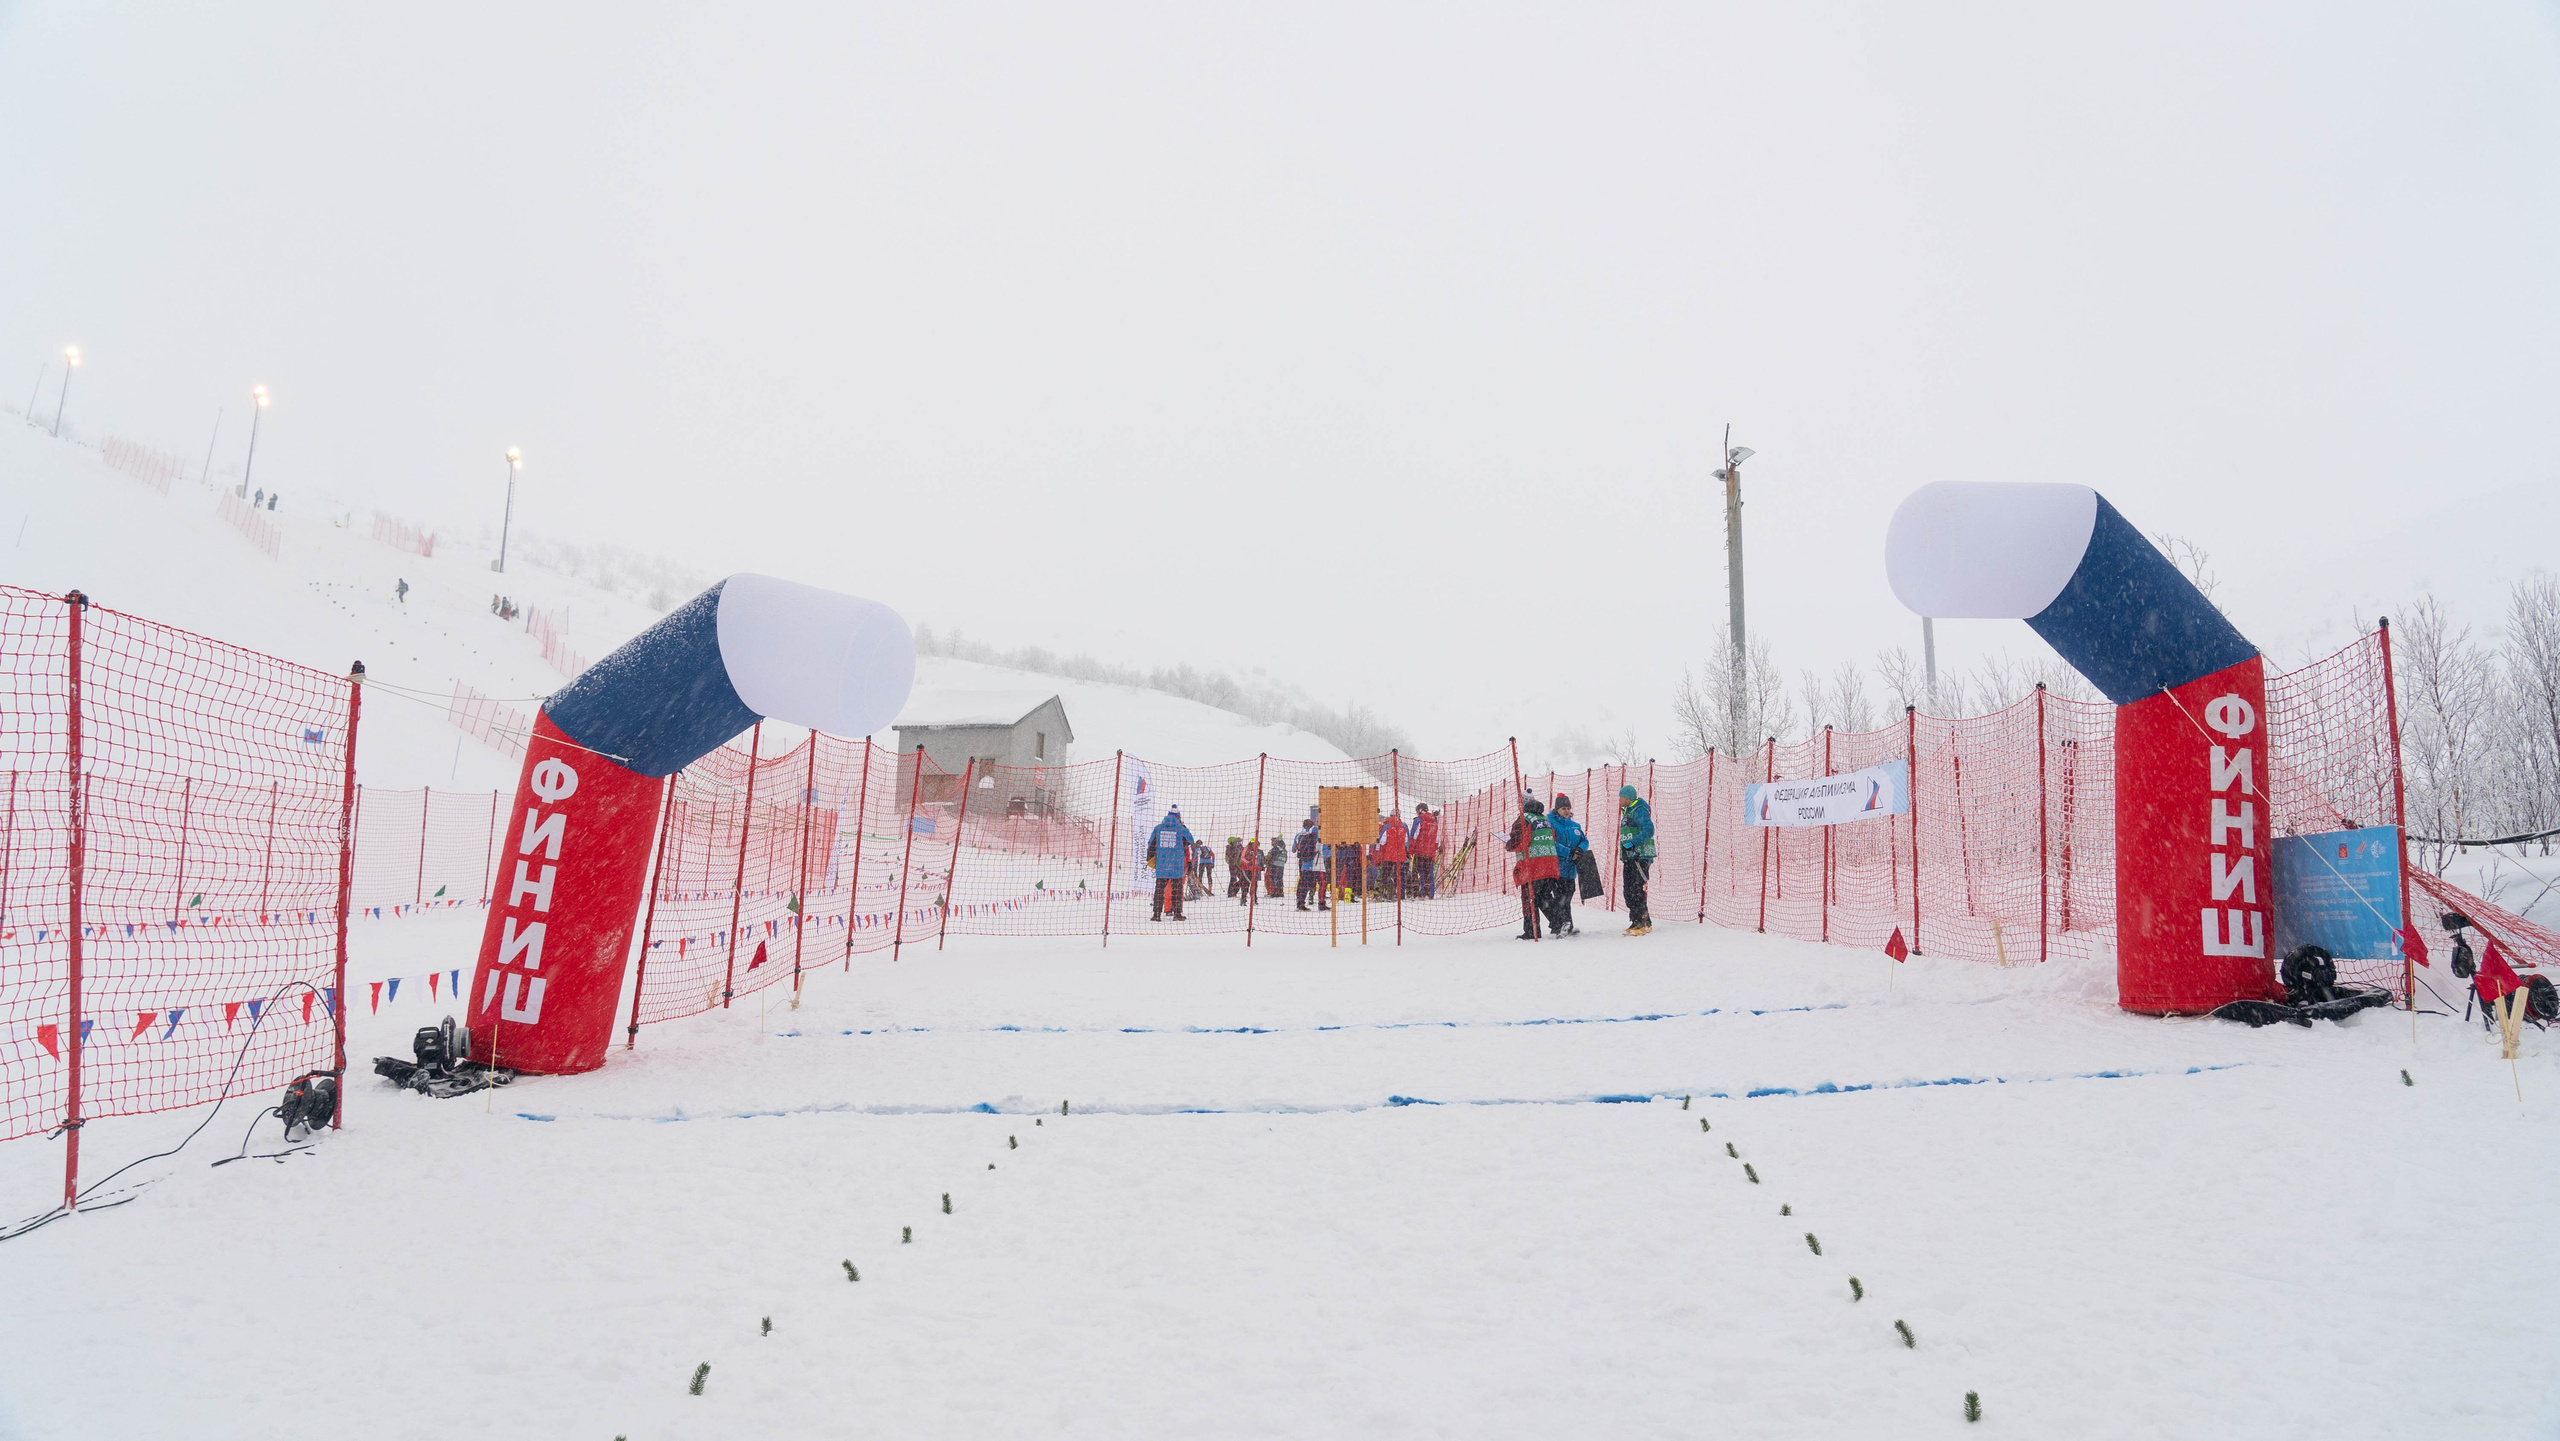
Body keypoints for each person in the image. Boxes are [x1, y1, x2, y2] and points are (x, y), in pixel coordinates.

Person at [1504, 796, 1561, 940]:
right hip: (1549, 866)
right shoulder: (1546, 820)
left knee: (1529, 900)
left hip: (1532, 867)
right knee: (1544, 897)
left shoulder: (1524, 820)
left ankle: (1532, 931)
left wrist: (1508, 844)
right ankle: (1559, 922)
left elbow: (1519, 841)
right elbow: (1553, 838)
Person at [1545, 795, 1588, 936]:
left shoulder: (1575, 825)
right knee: (1561, 897)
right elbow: (1551, 844)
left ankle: (1566, 924)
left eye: (1568, 808)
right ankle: (1562, 923)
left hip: (1571, 869)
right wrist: (1568, 852)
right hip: (1556, 867)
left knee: (1568, 895)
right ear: (1557, 809)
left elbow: (1584, 840)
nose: (1567, 811)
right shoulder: (1550, 823)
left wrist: (1580, 849)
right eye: (1564, 808)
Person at [1618, 784, 1656, 936]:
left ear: (1627, 797)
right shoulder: (1628, 811)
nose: (1619, 800)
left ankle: (1642, 921)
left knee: (1635, 890)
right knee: (1628, 890)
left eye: (1621, 797)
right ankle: (1638, 920)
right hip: (1630, 857)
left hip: (1639, 856)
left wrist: (1633, 843)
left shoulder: (1639, 810)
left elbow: (1649, 829)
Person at [1149, 806, 1195, 921]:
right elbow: (1190, 841)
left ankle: (1156, 914)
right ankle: (1177, 914)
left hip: (1162, 865)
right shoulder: (1181, 829)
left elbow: (1151, 845)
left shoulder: (1158, 828)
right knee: (1177, 890)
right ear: (1178, 817)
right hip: (1177, 865)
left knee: (1159, 890)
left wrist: (1151, 861)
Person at [1294, 812, 1327, 911]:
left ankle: (1300, 903)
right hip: (1317, 865)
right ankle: (1321, 903)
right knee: (1323, 883)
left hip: (1304, 864)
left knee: (1304, 884)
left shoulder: (1299, 835)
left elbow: (1293, 849)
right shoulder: (1319, 835)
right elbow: (1324, 852)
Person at [1374, 808, 1408, 902]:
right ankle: (1399, 893)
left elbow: (1382, 842)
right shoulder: (1403, 827)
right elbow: (1406, 842)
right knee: (1399, 875)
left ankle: (1385, 892)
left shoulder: (1387, 827)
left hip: (1389, 855)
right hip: (1400, 856)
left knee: (1386, 874)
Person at [1408, 803, 1440, 899]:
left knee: (1416, 872)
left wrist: (1410, 851)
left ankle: (1417, 893)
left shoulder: (1418, 820)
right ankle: (1429, 893)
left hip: (1419, 851)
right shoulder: (1434, 822)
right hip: (1430, 854)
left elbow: (1414, 837)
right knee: (1429, 874)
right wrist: (1432, 850)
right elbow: (1437, 840)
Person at [1237, 837, 1262, 905]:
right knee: (1246, 885)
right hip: (1245, 869)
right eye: (1255, 844)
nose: (1256, 846)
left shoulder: (1258, 851)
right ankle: (1243, 900)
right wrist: (1248, 863)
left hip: (1254, 870)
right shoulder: (1246, 849)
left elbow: (1258, 860)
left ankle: (1254, 900)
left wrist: (1260, 867)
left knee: (1255, 885)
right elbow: (1242, 858)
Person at [1225, 836, 1248, 900]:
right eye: (1236, 842)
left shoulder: (1240, 848)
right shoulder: (1230, 849)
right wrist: (1232, 862)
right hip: (1233, 866)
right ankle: (1231, 893)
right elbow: (1228, 858)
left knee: (1242, 878)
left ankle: (1234, 891)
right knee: (1233, 878)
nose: (1238, 843)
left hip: (1239, 866)